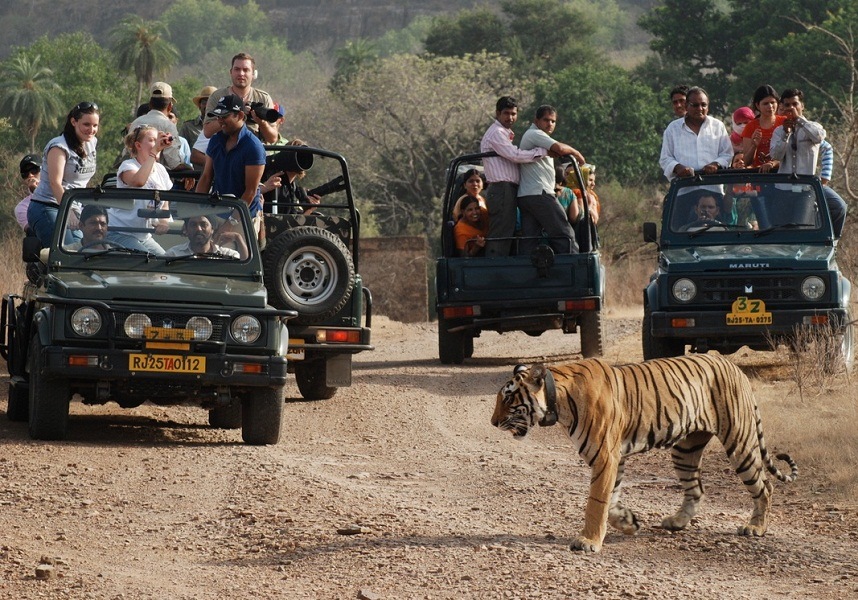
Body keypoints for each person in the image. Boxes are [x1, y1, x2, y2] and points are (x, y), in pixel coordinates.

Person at [770, 88, 847, 237]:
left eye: (795, 104)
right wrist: (786, 134)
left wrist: (800, 120)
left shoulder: (813, 126)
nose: (791, 108)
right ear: (783, 107)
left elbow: (819, 137)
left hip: (805, 189)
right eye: (787, 105)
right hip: (783, 189)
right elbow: (776, 155)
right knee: (780, 232)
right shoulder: (779, 131)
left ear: (802, 106)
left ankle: (831, 241)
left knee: (803, 229)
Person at [479, 96, 550, 257]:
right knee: (501, 233)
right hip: (501, 188)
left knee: (509, 231)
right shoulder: (496, 133)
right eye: (506, 113)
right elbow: (514, 155)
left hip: (507, 190)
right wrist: (542, 152)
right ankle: (494, 273)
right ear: (498, 113)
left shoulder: (503, 133)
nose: (510, 118)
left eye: (513, 114)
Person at [27, 101, 100, 246]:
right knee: (68, 254)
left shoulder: (92, 142)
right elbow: (55, 183)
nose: (91, 129)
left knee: (85, 251)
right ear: (74, 121)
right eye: (86, 124)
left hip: (74, 207)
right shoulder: (59, 146)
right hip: (48, 206)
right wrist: (69, 210)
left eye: (95, 125)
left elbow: (79, 181)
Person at [659, 86, 733, 228]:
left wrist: (716, 165)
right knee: (679, 235)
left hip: (713, 192)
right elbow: (665, 158)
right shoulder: (672, 129)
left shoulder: (717, 126)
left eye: (703, 105)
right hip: (684, 191)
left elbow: (727, 154)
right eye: (695, 105)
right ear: (687, 106)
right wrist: (678, 167)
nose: (700, 108)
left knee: (718, 237)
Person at [517, 104, 586, 255]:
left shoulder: (539, 138)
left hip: (527, 195)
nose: (550, 124)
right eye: (546, 120)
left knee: (530, 240)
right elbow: (560, 149)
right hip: (539, 194)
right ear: (536, 120)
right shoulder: (534, 134)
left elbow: (555, 150)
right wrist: (577, 153)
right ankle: (575, 268)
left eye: (553, 121)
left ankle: (527, 275)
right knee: (564, 234)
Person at [196, 93, 266, 236]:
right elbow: (206, 177)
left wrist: (230, 223)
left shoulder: (253, 146)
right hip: (217, 211)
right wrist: (196, 211)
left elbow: (250, 192)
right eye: (218, 116)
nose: (220, 121)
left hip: (244, 217)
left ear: (240, 115)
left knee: (238, 256)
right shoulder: (216, 140)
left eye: (224, 116)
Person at [107, 125, 175, 254]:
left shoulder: (161, 170)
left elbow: (164, 202)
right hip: (119, 231)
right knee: (147, 260)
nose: (156, 144)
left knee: (165, 261)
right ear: (138, 145)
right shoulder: (128, 166)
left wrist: (164, 222)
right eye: (152, 140)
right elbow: (138, 181)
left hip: (143, 236)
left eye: (157, 140)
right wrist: (154, 152)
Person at [202, 53, 278, 144]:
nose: (241, 74)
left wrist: (262, 123)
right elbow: (207, 132)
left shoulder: (263, 98)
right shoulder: (217, 96)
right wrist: (231, 115)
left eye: (246, 70)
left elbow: (273, 139)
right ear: (231, 72)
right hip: (226, 152)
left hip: (255, 153)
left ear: (253, 74)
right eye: (237, 69)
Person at [128, 82, 190, 172]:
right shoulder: (168, 125)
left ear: (150, 104)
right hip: (156, 178)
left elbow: (127, 153)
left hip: (133, 175)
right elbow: (173, 162)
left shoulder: (136, 122)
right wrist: (189, 169)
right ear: (170, 106)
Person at [740, 85, 786, 171]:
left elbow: (790, 155)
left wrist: (773, 163)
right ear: (757, 105)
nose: (770, 106)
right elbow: (746, 162)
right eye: (765, 103)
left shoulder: (785, 123)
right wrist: (754, 146)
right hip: (760, 178)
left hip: (782, 176)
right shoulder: (750, 127)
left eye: (773, 102)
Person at [164, 215, 247, 259]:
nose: (199, 229)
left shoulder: (227, 255)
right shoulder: (174, 255)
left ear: (212, 229)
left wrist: (238, 238)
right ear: (186, 229)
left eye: (203, 224)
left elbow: (246, 269)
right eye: (193, 225)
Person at [180, 85, 216, 152]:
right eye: (204, 102)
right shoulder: (188, 127)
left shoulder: (224, 126)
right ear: (199, 105)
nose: (208, 105)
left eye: (212, 102)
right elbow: (181, 152)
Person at [14, 154, 41, 232]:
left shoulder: (60, 189)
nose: (30, 175)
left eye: (34, 170)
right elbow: (34, 232)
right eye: (25, 174)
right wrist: (36, 192)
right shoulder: (22, 207)